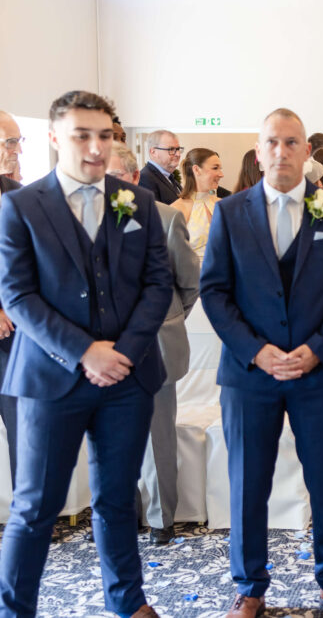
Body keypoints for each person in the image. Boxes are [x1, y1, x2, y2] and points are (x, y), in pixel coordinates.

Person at [0, 90, 172, 618]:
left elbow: (158, 283)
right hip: (51, 380)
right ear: (54, 138)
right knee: (35, 508)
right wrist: (83, 353)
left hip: (128, 377)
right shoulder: (21, 206)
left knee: (117, 500)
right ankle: (14, 610)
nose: (96, 147)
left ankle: (127, 601)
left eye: (105, 135)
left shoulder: (138, 201)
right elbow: (17, 295)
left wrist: (123, 352)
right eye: (82, 135)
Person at [200, 108, 323, 618]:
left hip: (319, 372)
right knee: (248, 481)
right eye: (272, 143)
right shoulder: (230, 214)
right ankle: (250, 587)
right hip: (251, 375)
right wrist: (256, 350)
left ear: (306, 153)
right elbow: (214, 291)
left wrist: (318, 347)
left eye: (292, 142)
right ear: (258, 152)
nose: (282, 152)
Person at [108, 142, 200, 546]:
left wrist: (168, 318)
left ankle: (162, 519)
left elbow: (189, 282)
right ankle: (124, 514)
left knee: (157, 434)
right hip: (104, 350)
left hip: (157, 344)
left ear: (130, 177)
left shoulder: (165, 218)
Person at [0, 111, 23, 484]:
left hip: (18, 332)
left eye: (18, 141)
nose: (17, 150)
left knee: (25, 425)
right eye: (9, 141)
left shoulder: (20, 196)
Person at [171, 148, 224, 262]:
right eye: (215, 168)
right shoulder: (177, 209)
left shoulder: (222, 204)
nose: (221, 174)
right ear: (196, 170)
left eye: (220, 169)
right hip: (193, 276)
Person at [138, 129, 183, 204]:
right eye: (171, 149)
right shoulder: (145, 178)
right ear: (153, 152)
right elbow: (156, 213)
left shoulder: (169, 176)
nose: (178, 154)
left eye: (178, 149)